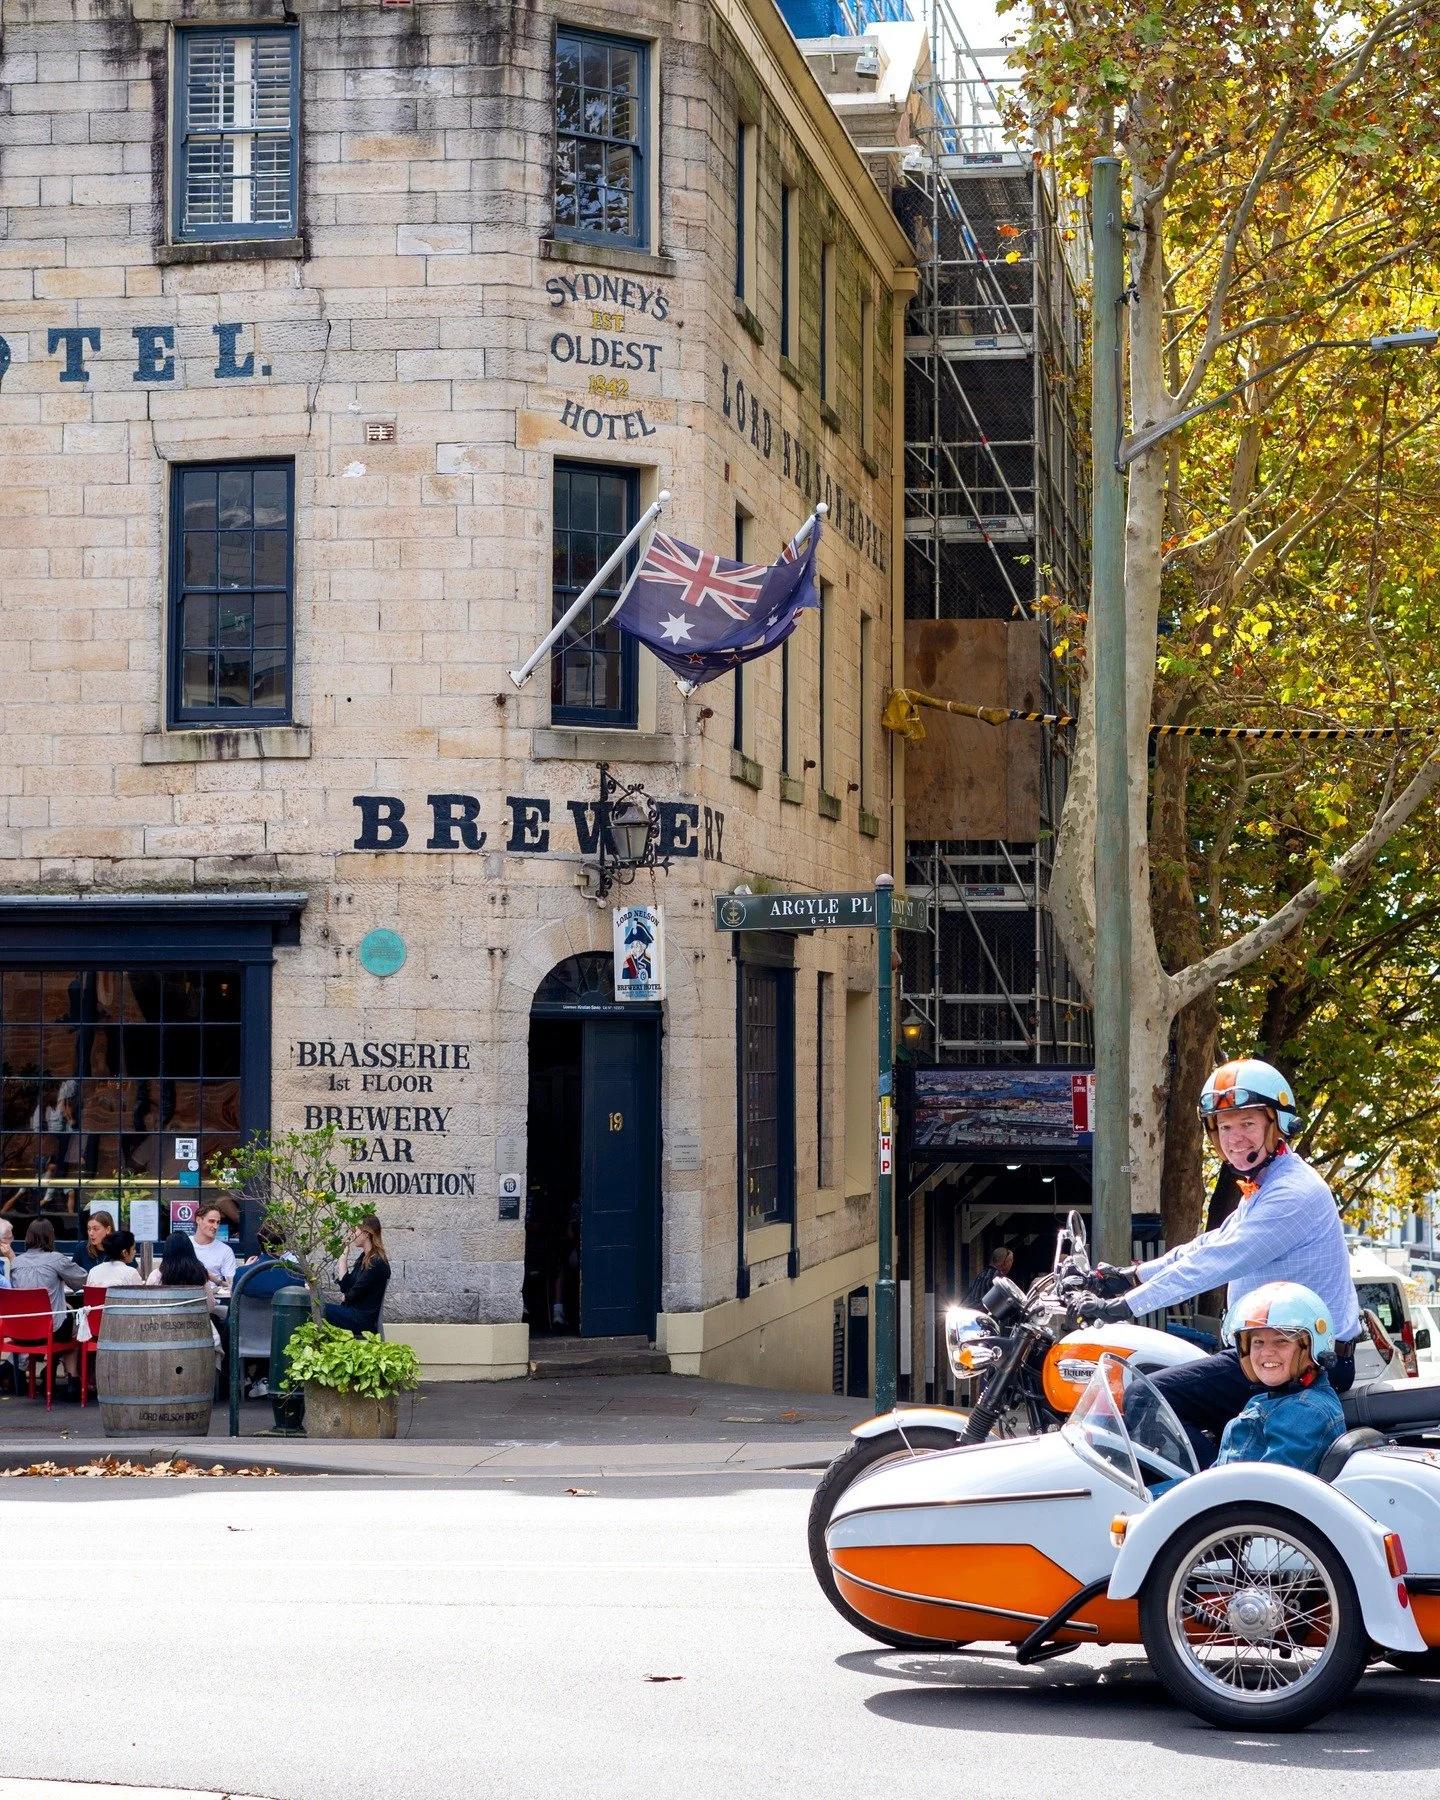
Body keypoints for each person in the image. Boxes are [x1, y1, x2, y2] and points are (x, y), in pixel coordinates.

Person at [1078, 1058, 1361, 1468]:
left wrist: (1124, 1307)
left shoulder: (1292, 1194)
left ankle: (1213, 1498)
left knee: (1143, 1397)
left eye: (1247, 1123)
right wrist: (1130, 1276)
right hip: (1279, 1347)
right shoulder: (1268, 1184)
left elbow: (1214, 1263)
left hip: (1303, 1358)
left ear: (1277, 1124)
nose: (1234, 1137)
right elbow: (1208, 1244)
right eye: (1224, 1127)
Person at [1214, 1281, 1346, 1475]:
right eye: (1258, 1342)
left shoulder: (1304, 1411)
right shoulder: (1268, 1401)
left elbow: (1269, 1486)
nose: (1266, 1352)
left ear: (1311, 1348)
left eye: (1281, 1341)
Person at [8, 1218, 87, 1395]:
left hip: (22, 1331)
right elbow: (82, 1280)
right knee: (77, 1326)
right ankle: (72, 1380)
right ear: (51, 1236)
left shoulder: (16, 1263)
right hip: (50, 1330)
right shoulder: (56, 1259)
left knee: (63, 1320)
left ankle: (48, 1374)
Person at [146, 1230, 223, 1362]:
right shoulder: (199, 1274)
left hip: (162, 1332)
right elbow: (210, 1306)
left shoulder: (156, 1276)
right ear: (190, 1251)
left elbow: (148, 1307)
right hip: (197, 1332)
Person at [325, 1216, 390, 1336]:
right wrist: (343, 1257)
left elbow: (352, 1294)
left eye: (354, 1230)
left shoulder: (377, 1263)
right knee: (314, 1307)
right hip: (351, 1313)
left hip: (361, 1320)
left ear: (366, 1233)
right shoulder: (363, 1258)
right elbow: (346, 1287)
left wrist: (347, 1297)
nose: (351, 1235)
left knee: (317, 1308)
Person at [75, 1230, 143, 1344]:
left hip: (95, 1329)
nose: (135, 1252)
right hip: (123, 1330)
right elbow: (141, 1303)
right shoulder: (131, 1273)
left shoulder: (93, 1271)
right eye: (133, 1248)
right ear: (125, 1252)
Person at [190, 1203, 237, 1289]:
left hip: (215, 1295)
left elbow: (233, 1285)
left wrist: (215, 1280)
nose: (215, 1226)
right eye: (211, 1221)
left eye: (218, 1222)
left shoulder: (225, 1250)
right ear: (198, 1220)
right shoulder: (185, 1243)